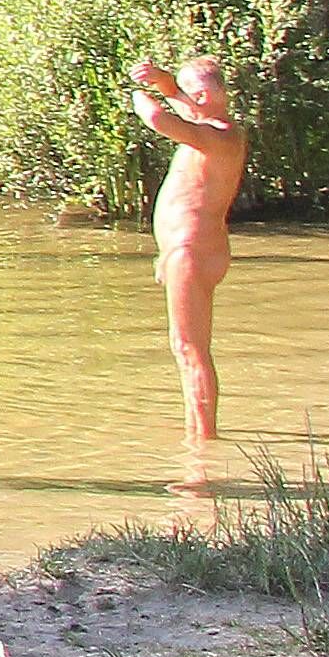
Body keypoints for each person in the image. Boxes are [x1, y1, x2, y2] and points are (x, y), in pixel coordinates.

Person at [128, 56, 246, 446]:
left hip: (192, 248)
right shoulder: (209, 123)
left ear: (201, 96)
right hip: (189, 247)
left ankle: (202, 444)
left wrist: (140, 100)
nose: (179, 95)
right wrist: (161, 81)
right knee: (189, 347)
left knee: (188, 349)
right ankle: (199, 431)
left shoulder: (221, 136)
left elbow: (163, 121)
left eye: (185, 90)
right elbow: (176, 99)